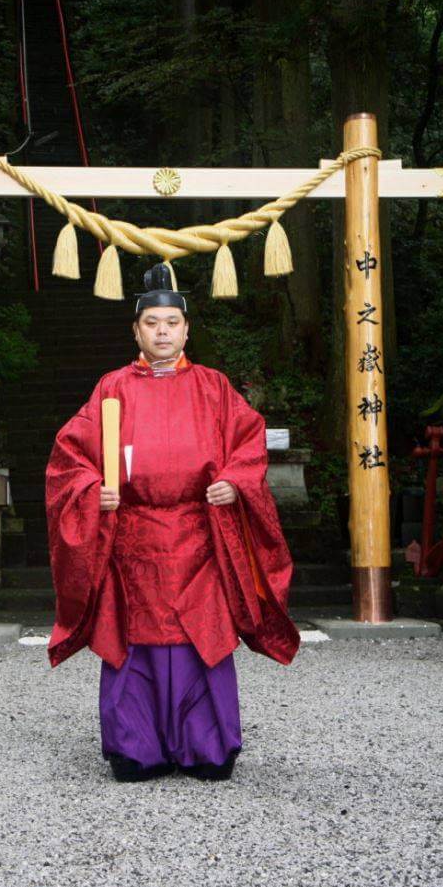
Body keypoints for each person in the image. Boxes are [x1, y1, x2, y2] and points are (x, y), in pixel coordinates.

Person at [45, 264, 299, 782]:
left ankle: (207, 749)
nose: (162, 331)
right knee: (130, 642)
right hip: (131, 539)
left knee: (199, 641)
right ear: (135, 330)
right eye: (152, 323)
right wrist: (95, 490)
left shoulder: (214, 387)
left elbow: (248, 442)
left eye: (171, 322)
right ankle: (136, 750)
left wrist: (234, 481)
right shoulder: (111, 389)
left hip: (198, 537)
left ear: (187, 329)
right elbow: (69, 456)